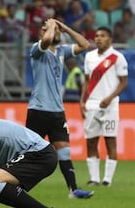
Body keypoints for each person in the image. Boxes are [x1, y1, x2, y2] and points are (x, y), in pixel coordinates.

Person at [26, 18, 94, 199]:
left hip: (57, 112)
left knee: (64, 151)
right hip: (38, 110)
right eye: (54, 30)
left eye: (57, 30)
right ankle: (15, 184)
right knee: (29, 153)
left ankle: (73, 190)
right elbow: (46, 41)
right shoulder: (36, 49)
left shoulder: (62, 51)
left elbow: (85, 44)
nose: (57, 33)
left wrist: (65, 28)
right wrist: (50, 27)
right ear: (43, 32)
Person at [80, 26, 128, 187]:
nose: (98, 38)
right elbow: (87, 81)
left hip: (110, 105)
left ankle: (107, 180)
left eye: (102, 36)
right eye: (96, 36)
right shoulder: (89, 57)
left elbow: (124, 82)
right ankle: (94, 179)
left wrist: (110, 97)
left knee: (110, 141)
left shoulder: (117, 57)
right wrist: (82, 101)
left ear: (110, 39)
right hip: (92, 104)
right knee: (91, 142)